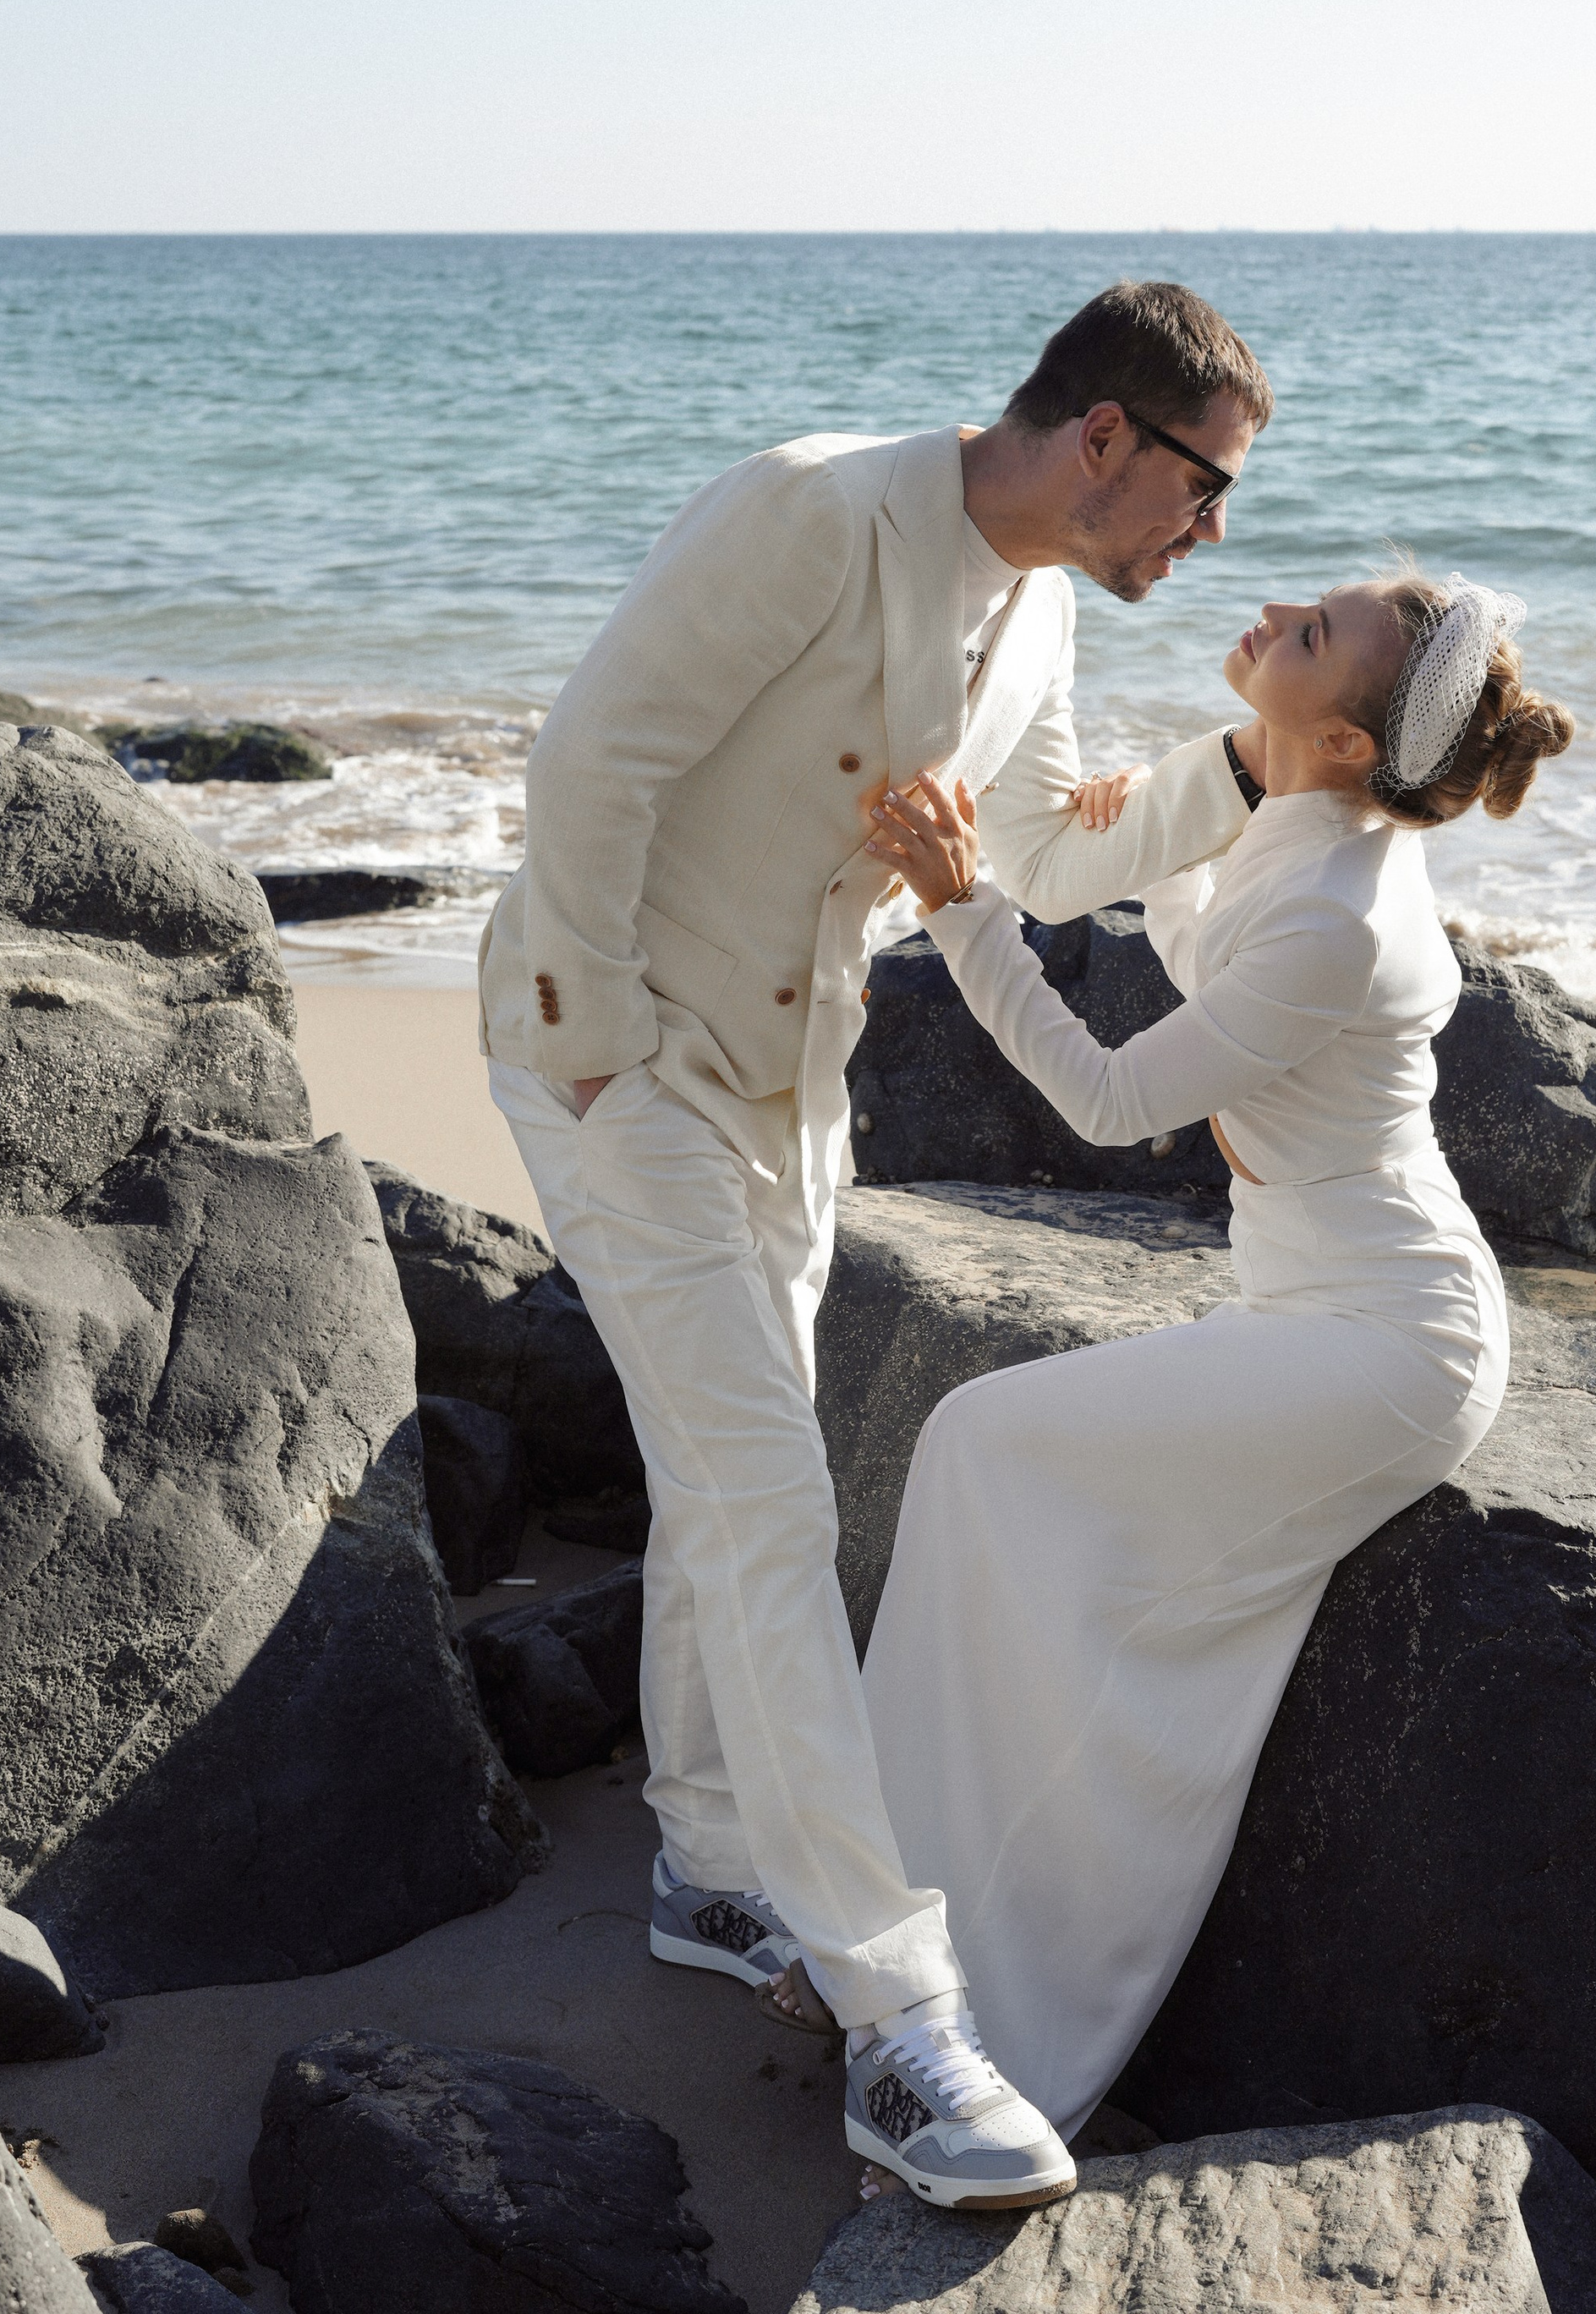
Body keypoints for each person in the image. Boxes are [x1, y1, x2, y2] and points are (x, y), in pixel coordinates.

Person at [478, 282, 1274, 2213]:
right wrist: (594, 1060)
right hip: (635, 1067)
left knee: (728, 1471)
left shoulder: (1044, 607)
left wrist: (1263, 771)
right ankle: (898, 2029)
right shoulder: (812, 512)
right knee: (761, 1491)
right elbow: (596, 762)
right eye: (1204, 485)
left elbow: (1043, 855)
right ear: (1106, 437)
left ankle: (706, 1860)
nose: (1210, 529)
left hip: (793, 1084)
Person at [843, 567, 1573, 2169]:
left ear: (1338, 740)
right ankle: (884, 1938)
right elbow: (1185, 927)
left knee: (980, 1446)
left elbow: (1110, 1102)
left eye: (1317, 637)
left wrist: (966, 906)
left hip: (1386, 1346)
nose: (1282, 609)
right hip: (1313, 1310)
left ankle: (979, 2014)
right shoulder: (1306, 834)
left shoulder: (1335, 912)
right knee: (1010, 1499)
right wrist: (1129, 830)